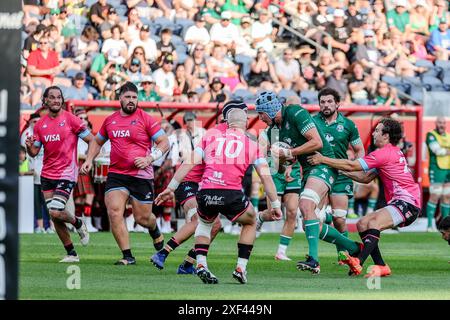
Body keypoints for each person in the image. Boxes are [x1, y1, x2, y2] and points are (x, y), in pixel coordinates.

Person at [155, 107, 282, 285]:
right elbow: (266, 179)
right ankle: (240, 268)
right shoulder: (252, 144)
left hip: (205, 191)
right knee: (251, 221)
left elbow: (189, 162)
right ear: (245, 123)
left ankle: (200, 264)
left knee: (205, 224)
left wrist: (171, 187)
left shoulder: (210, 137)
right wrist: (275, 205)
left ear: (227, 123)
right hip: (231, 193)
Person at [255, 91, 361, 274]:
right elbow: (279, 167)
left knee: (307, 205)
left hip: (324, 162)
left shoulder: (296, 112)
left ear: (271, 111)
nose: (260, 118)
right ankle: (354, 248)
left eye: (261, 114)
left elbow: (317, 142)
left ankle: (314, 260)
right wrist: (281, 163)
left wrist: (289, 153)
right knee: (310, 223)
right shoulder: (272, 132)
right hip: (308, 170)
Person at [307, 118, 422, 277]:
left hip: (408, 203)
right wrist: (340, 171)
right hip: (402, 201)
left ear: (386, 136)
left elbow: (353, 165)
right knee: (362, 224)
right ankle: (381, 266)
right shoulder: (391, 151)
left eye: (377, 130)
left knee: (373, 223)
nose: (374, 134)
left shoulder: (383, 153)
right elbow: (366, 178)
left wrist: (323, 160)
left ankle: (359, 261)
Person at [149, 101, 248, 274]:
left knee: (215, 226)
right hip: (188, 182)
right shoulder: (217, 133)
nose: (246, 118)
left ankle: (188, 264)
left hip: (205, 185)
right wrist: (172, 186)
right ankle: (163, 253)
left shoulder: (228, 133)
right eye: (244, 113)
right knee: (199, 221)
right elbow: (190, 161)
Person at [81, 82, 169, 265]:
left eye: (134, 97)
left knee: (142, 218)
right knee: (114, 212)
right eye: (127, 97)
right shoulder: (110, 120)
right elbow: (97, 142)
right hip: (117, 174)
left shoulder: (145, 118)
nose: (131, 101)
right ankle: (127, 256)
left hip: (141, 175)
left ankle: (154, 229)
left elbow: (164, 142)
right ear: (120, 98)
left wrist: (149, 158)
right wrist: (89, 160)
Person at [25, 86, 93, 262]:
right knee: (54, 216)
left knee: (55, 211)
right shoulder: (40, 125)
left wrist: (88, 160)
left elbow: (92, 140)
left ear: (62, 100)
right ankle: (72, 253)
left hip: (67, 173)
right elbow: (34, 152)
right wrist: (28, 146)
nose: (56, 100)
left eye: (59, 97)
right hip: (47, 174)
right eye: (52, 97)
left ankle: (78, 222)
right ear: (45, 101)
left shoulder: (72, 120)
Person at [312, 88, 365, 262]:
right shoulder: (312, 122)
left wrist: (355, 167)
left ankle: (344, 254)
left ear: (337, 103)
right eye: (322, 102)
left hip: (341, 174)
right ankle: (314, 257)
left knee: (340, 218)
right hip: (319, 173)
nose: (325, 105)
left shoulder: (348, 125)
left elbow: (359, 150)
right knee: (313, 218)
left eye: (329, 101)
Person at [256, 111, 302, 261]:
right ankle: (261, 217)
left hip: (293, 171)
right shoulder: (266, 133)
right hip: (274, 173)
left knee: (292, 212)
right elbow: (260, 157)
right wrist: (265, 177)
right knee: (274, 214)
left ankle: (281, 252)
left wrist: (291, 166)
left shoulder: (296, 129)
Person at [425, 116, 450, 232]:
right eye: (439, 122)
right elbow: (437, 151)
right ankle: (430, 225)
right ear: (436, 123)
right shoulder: (431, 135)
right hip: (436, 169)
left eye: (443, 123)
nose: (442, 125)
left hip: (448, 169)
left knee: (447, 197)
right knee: (435, 196)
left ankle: (445, 227)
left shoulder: (448, 136)